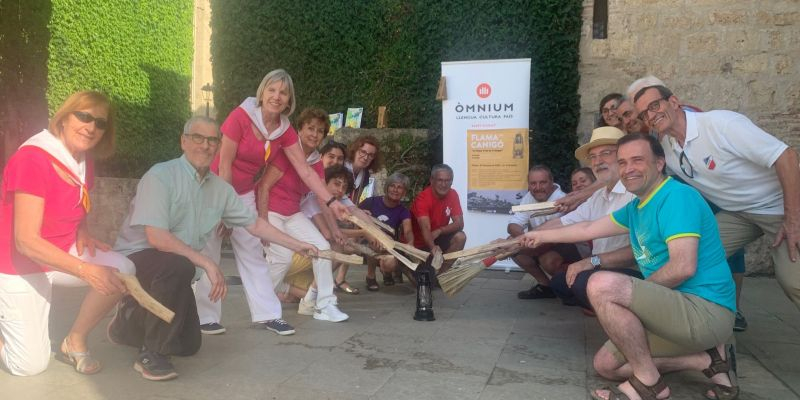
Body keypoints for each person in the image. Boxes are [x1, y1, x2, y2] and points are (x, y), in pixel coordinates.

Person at [521, 133, 738, 400]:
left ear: (659, 163)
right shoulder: (637, 207)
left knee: (601, 284)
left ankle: (649, 384)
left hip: (705, 311)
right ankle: (706, 359)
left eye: (637, 160)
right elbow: (587, 227)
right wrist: (536, 237)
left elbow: (683, 266)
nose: (628, 169)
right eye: (622, 162)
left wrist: (633, 296)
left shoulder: (677, 197)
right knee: (606, 366)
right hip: (672, 309)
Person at [109, 116, 318, 381]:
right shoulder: (160, 175)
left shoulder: (220, 189)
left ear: (219, 146)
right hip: (136, 260)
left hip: (176, 269)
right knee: (179, 265)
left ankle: (128, 320)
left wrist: (298, 244)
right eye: (197, 137)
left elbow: (255, 224)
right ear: (183, 141)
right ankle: (151, 353)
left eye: (212, 140)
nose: (205, 145)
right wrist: (207, 262)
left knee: (188, 345)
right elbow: (156, 238)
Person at [194, 69, 348, 336]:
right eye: (272, 90)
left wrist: (332, 201)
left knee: (253, 251)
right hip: (216, 188)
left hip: (243, 193)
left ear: (289, 101)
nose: (277, 96)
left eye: (283, 92)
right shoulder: (239, 117)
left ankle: (267, 314)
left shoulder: (285, 130)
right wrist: (223, 210)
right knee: (210, 251)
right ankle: (206, 316)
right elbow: (225, 164)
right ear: (262, 92)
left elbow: (306, 170)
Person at [632, 79, 800, 317]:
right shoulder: (667, 149)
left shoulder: (721, 124)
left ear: (674, 101)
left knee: (793, 280)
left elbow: (787, 157)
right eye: (643, 115)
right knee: (687, 259)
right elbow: (637, 175)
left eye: (654, 106)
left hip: (779, 206)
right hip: (738, 214)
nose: (650, 116)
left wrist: (793, 219)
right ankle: (710, 329)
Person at [0, 91, 131, 376]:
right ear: (63, 117)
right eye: (83, 116)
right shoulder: (33, 159)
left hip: (59, 254)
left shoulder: (82, 160)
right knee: (29, 366)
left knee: (123, 270)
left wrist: (82, 229)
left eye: (100, 122)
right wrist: (86, 270)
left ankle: (75, 340)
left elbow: (78, 199)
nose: (91, 127)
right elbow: (25, 241)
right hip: (19, 264)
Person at [257, 108, 349, 322]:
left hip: (292, 213)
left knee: (323, 248)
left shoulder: (316, 160)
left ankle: (321, 305)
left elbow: (321, 198)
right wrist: (262, 222)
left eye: (320, 131)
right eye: (310, 128)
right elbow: (263, 187)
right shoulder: (286, 152)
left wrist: (334, 231)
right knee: (282, 258)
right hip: (271, 212)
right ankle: (262, 303)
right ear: (300, 129)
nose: (314, 134)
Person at [543, 127, 639, 311]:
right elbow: (565, 223)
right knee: (561, 283)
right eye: (593, 157)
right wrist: (525, 238)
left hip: (635, 271)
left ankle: (614, 309)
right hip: (603, 266)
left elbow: (642, 250)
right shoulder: (598, 196)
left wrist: (593, 262)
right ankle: (605, 307)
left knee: (581, 282)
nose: (598, 161)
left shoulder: (636, 193)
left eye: (605, 153)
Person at [510, 166, 585, 299]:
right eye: (533, 183)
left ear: (552, 182)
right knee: (512, 242)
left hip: (562, 246)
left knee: (548, 260)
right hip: (538, 242)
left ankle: (574, 289)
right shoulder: (529, 197)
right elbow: (513, 224)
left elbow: (555, 239)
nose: (538, 187)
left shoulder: (562, 199)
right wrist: (519, 239)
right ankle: (546, 286)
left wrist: (521, 245)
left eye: (542, 182)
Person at [358, 173, 415, 291]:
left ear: (404, 192)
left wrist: (410, 242)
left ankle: (387, 272)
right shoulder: (370, 202)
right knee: (374, 242)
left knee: (390, 264)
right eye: (392, 186)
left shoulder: (403, 211)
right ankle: (371, 276)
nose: (395, 190)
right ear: (387, 187)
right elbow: (354, 219)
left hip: (389, 245)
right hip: (366, 241)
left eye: (400, 187)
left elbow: (408, 230)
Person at [410, 164, 466, 276]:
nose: (444, 184)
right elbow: (425, 228)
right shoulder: (423, 198)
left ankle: (441, 274)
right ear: (432, 180)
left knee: (460, 237)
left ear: (451, 181)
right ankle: (406, 267)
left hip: (437, 238)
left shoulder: (453, 194)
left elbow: (459, 223)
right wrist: (432, 247)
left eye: (448, 180)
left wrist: (440, 230)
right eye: (440, 180)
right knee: (424, 284)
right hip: (419, 245)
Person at [346, 135, 383, 204]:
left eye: (371, 155)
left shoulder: (365, 175)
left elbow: (355, 202)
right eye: (363, 152)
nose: (366, 157)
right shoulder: (341, 168)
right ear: (354, 151)